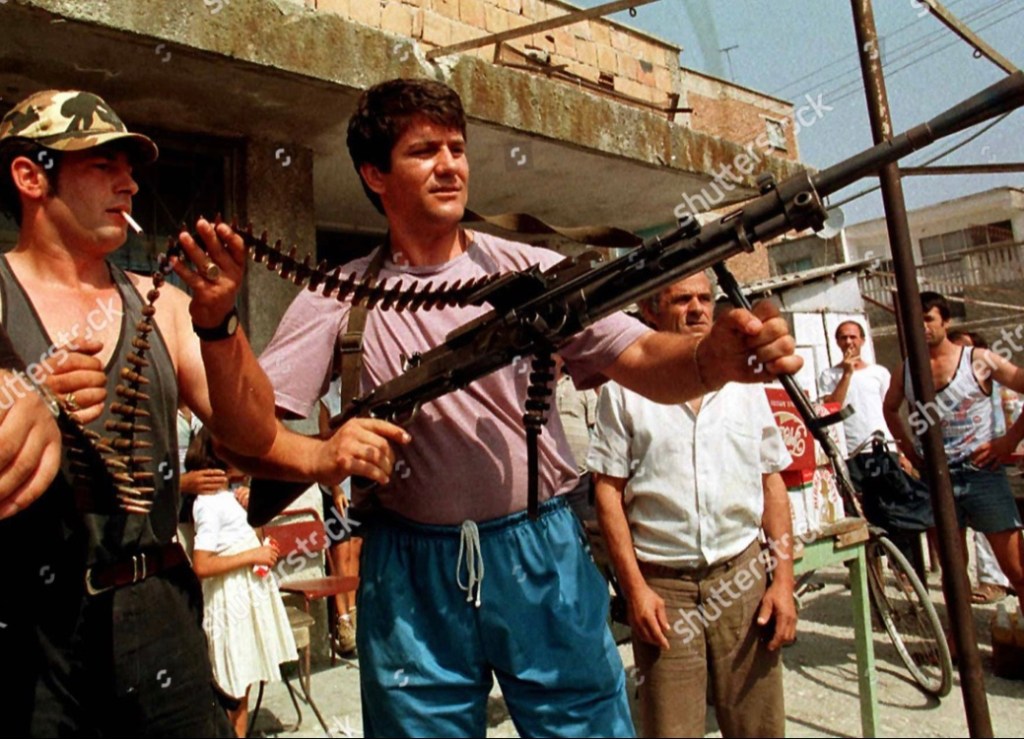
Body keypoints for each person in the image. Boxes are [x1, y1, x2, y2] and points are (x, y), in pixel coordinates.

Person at [245, 78, 802, 737]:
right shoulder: (338, 297)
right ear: (374, 174)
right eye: (424, 151)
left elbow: (644, 358)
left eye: (457, 148)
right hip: (408, 568)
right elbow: (248, 433)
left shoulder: (534, 273)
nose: (450, 166)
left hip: (539, 547)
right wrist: (321, 453)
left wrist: (713, 359)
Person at [0, 89, 279, 736]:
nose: (128, 184)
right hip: (30, 629)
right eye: (103, 164)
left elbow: (253, 434)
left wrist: (220, 323)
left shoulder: (167, 305)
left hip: (158, 615)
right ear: (30, 176)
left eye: (130, 168)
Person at [587, 273, 796, 738]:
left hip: (743, 578)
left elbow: (772, 482)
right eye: (682, 300)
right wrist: (635, 591)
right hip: (667, 592)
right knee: (672, 729)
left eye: (704, 298)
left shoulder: (745, 382)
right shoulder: (624, 390)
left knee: (758, 727)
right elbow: (607, 493)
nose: (697, 309)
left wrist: (782, 582)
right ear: (650, 312)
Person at [884, 291, 1024, 610]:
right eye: (914, 320)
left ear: (945, 322)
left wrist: (1008, 441)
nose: (921, 326)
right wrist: (908, 448)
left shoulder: (977, 360)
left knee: (1016, 568)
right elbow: (890, 408)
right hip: (937, 477)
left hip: (981, 473)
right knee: (953, 572)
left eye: (928, 319)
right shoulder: (906, 370)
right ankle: (959, 637)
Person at [187, 428, 297, 738]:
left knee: (244, 678)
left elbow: (249, 538)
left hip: (248, 595)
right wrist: (252, 555)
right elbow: (202, 564)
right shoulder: (208, 503)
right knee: (232, 684)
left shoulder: (231, 496)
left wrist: (254, 515)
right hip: (229, 599)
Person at [819, 319, 931, 577]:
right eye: (843, 337)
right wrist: (847, 374)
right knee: (860, 514)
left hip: (882, 450)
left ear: (862, 340)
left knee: (895, 510)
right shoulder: (829, 376)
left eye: (853, 337)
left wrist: (900, 451)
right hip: (851, 453)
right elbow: (831, 408)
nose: (849, 342)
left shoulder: (879, 373)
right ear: (837, 342)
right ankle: (871, 575)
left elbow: (890, 411)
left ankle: (905, 572)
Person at [947, 329, 1015, 604]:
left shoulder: (994, 381)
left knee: (998, 528)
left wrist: (1007, 442)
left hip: (996, 459)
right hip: (968, 461)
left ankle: (996, 580)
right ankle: (990, 581)